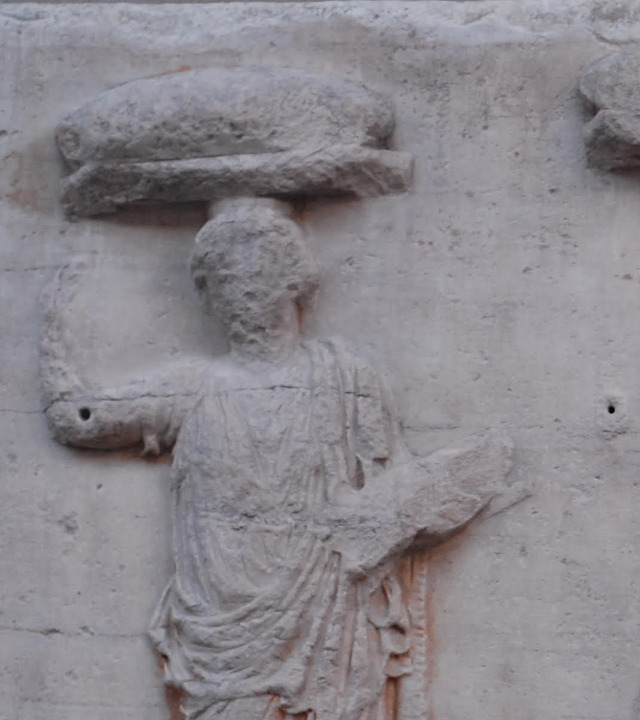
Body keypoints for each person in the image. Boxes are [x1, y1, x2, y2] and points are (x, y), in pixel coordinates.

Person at [40, 197, 516, 720]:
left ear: (295, 280)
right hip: (220, 637)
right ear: (209, 295)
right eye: (225, 280)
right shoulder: (193, 387)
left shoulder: (345, 379)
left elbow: (396, 490)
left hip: (330, 613)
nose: (242, 291)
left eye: (258, 272)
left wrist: (447, 486)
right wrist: (52, 324)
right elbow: (79, 418)